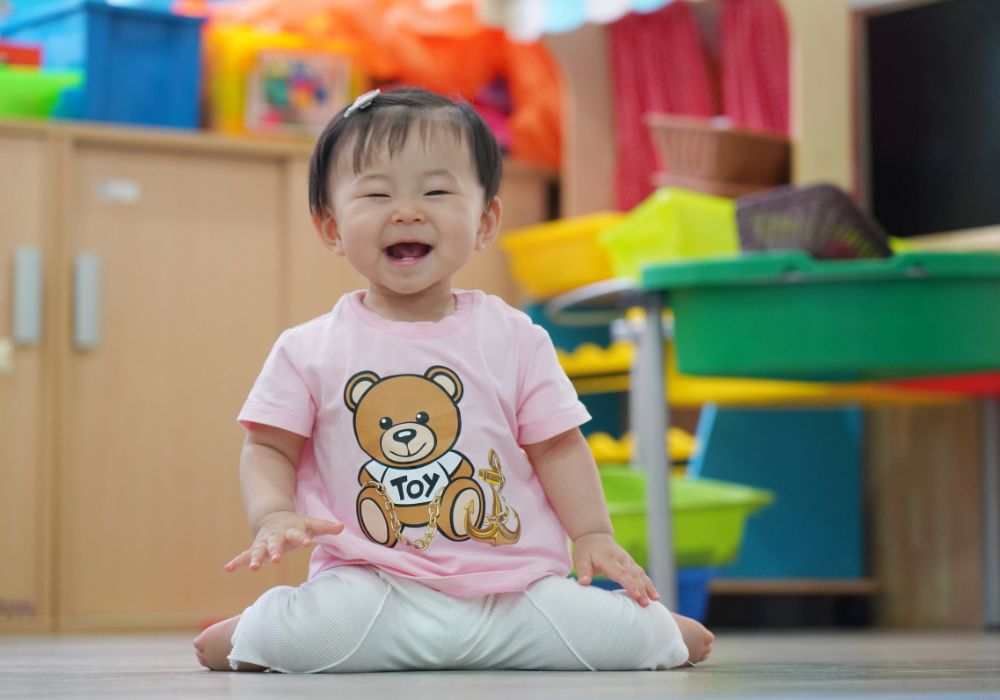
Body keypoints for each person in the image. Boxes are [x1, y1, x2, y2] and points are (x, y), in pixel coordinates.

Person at [194, 87, 714, 673]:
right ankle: (258, 630)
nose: (407, 212)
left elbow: (559, 446)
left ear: (485, 220)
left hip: (516, 591)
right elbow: (269, 446)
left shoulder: (515, 337)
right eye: (377, 194)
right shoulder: (308, 349)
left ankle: (651, 629)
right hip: (376, 590)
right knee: (308, 631)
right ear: (332, 226)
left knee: (614, 633)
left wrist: (592, 533)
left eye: (436, 192)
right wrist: (273, 514)